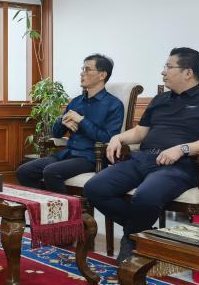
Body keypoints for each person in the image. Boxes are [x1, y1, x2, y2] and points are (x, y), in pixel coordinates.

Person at [84, 47, 199, 263]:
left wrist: (182, 149)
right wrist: (119, 138)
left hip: (180, 165)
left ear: (188, 72)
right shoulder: (160, 99)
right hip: (143, 158)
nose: (163, 71)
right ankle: (140, 232)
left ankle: (130, 240)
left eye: (168, 67)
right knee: (94, 188)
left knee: (145, 196)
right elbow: (140, 132)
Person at [16, 54, 123, 192]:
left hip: (91, 157)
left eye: (87, 69)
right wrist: (63, 121)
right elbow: (56, 133)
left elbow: (108, 138)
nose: (82, 73)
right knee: (24, 171)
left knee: (51, 171)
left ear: (102, 75)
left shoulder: (114, 105)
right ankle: (42, 203)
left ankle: (63, 206)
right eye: (82, 69)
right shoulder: (76, 102)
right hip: (68, 154)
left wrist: (81, 120)